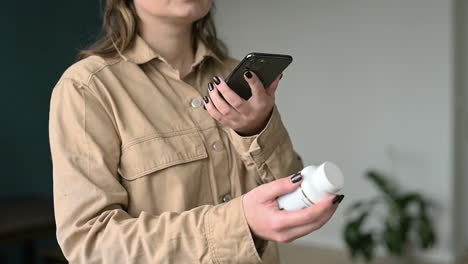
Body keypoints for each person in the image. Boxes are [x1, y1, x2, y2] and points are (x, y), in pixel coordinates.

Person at [49, 0, 344, 263]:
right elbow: (90, 243)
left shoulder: (240, 78)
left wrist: (257, 128)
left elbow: (289, 191)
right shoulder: (88, 88)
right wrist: (240, 224)